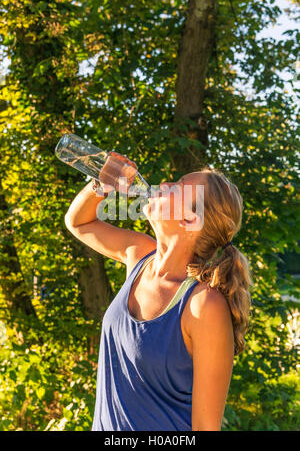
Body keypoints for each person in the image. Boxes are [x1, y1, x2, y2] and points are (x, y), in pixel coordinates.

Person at [64, 164, 253, 431]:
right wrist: (102, 184)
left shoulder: (203, 305)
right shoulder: (139, 256)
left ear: (189, 220)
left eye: (176, 186)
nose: (163, 184)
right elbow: (79, 222)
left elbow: (205, 428)